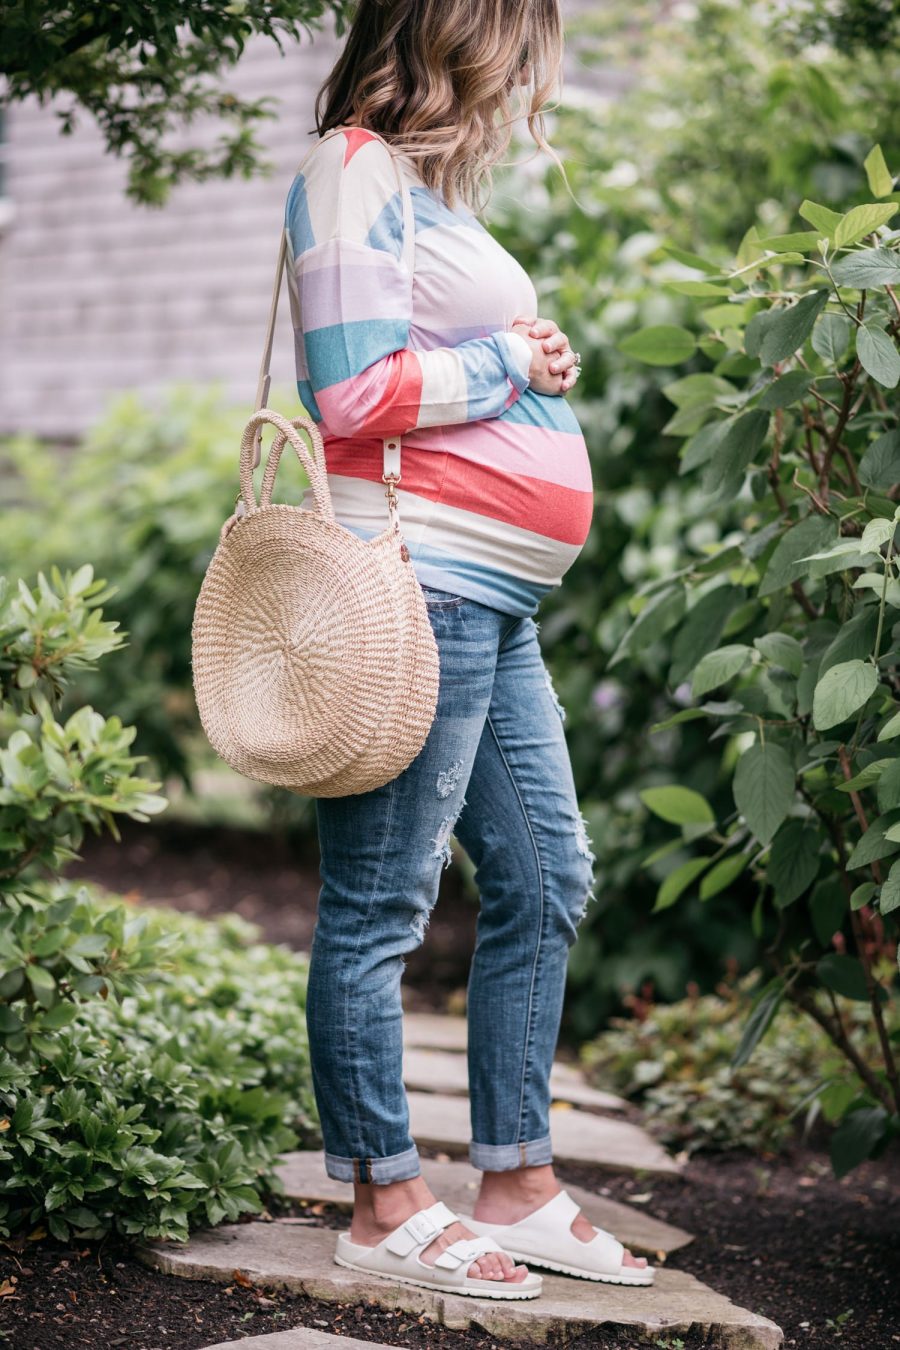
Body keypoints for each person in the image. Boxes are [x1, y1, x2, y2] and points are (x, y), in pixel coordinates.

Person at [283, 0, 654, 1299]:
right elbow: (352, 393)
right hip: (419, 590)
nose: (517, 87)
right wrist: (513, 356)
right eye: (513, 57)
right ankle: (384, 1195)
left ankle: (519, 1177)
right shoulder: (349, 171)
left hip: (494, 598)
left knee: (547, 872)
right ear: (454, 37)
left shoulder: (418, 193)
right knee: (383, 902)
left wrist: (509, 361)